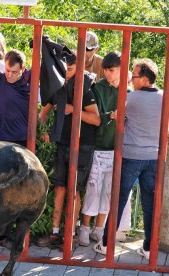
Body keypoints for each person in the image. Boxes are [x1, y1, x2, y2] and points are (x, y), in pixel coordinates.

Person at [94, 58, 162, 261]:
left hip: (132, 156)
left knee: (119, 199)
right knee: (149, 203)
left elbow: (117, 116)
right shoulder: (163, 98)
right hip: (154, 157)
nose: (131, 79)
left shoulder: (130, 99)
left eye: (134, 76)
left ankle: (107, 245)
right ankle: (149, 248)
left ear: (144, 78)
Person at [36, 53, 100, 247]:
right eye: (64, 70)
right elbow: (43, 113)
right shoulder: (57, 87)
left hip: (82, 146)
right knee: (60, 188)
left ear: (78, 69)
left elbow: (96, 119)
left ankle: (71, 234)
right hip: (62, 144)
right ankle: (55, 233)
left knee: (74, 190)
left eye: (70, 70)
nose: (67, 74)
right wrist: (45, 131)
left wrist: (73, 109)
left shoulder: (86, 89)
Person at [79, 51, 132, 246]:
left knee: (110, 192)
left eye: (112, 70)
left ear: (121, 69)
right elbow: (96, 117)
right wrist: (110, 116)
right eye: (106, 70)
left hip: (119, 149)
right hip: (99, 145)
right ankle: (84, 228)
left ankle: (99, 229)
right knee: (93, 189)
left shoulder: (129, 90)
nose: (108, 74)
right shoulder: (97, 88)